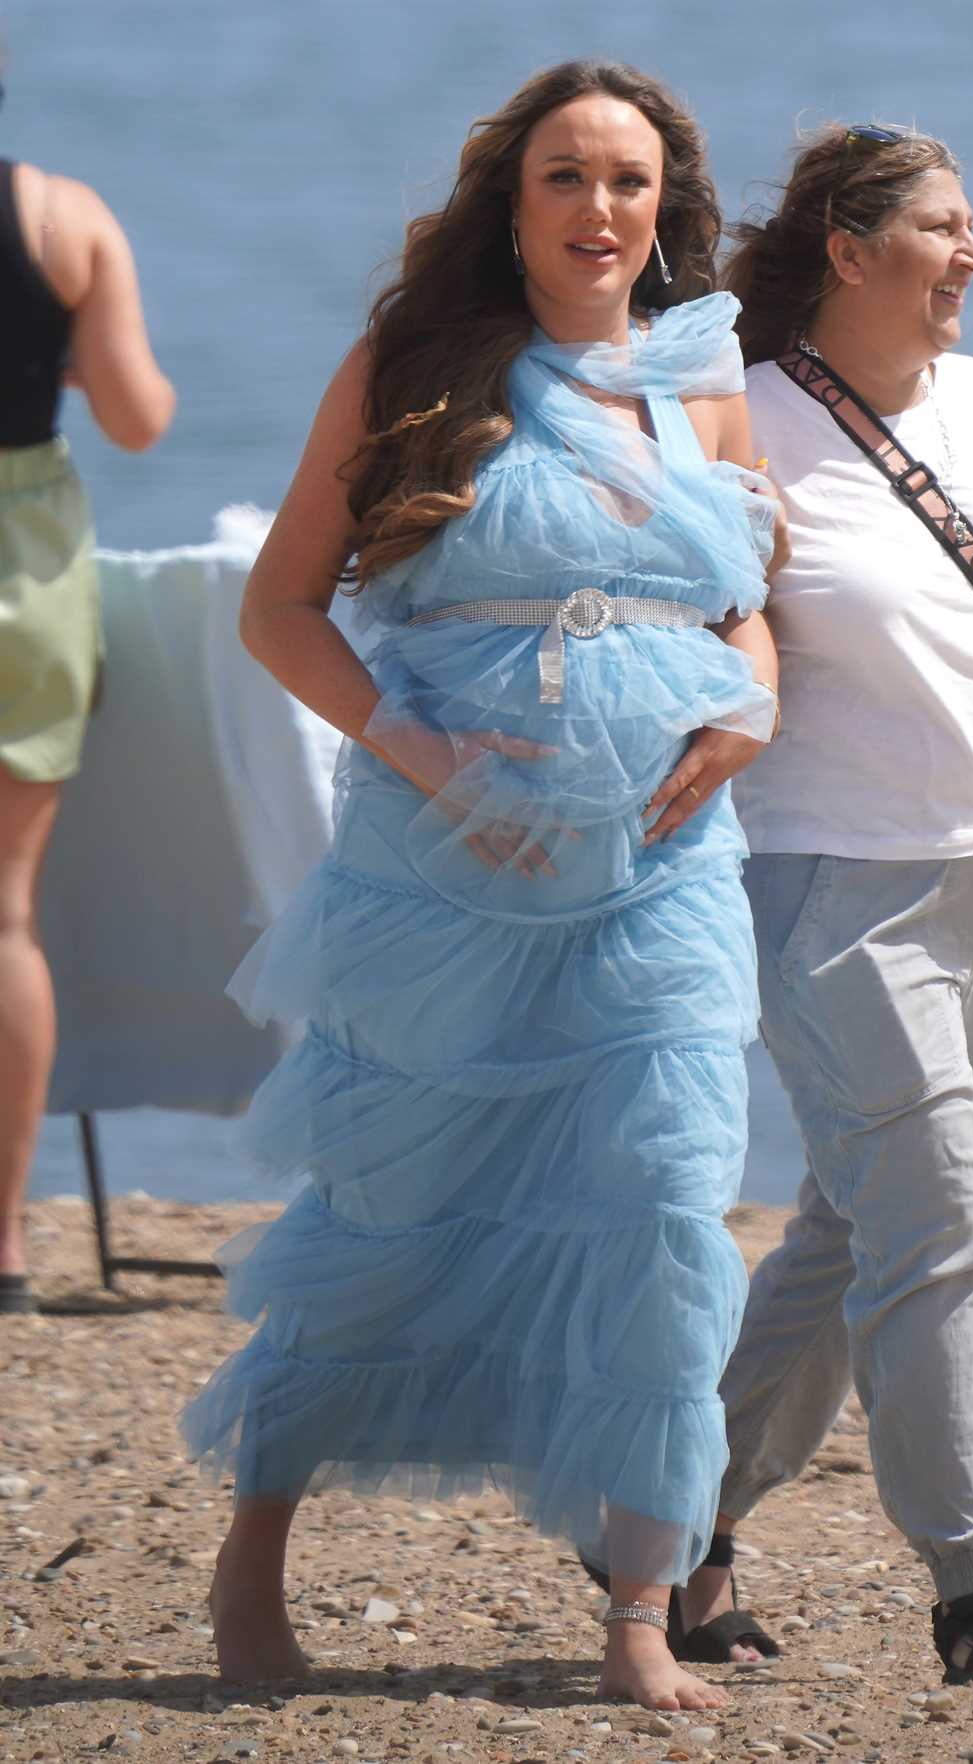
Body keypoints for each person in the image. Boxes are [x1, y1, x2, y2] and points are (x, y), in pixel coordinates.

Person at [182, 60, 782, 1711]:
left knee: (666, 1209)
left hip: (663, 867)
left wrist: (764, 691)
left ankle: (640, 1613)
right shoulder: (417, 365)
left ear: (670, 210)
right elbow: (282, 610)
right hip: (442, 871)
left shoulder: (702, 382)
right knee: (389, 1212)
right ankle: (253, 1562)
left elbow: (745, 602)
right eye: (568, 178)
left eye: (633, 181)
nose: (603, 208)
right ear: (509, 207)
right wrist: (435, 761)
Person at [672, 124, 973, 1686]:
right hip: (832, 884)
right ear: (849, 251)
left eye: (971, 227)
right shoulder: (746, 425)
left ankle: (669, 1531)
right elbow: (693, 639)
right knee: (939, 1218)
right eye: (944, 229)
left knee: (854, 1223)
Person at [0, 127, 174, 1314]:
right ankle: (3, 1242)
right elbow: (136, 418)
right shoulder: (63, 220)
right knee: (6, 913)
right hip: (25, 570)